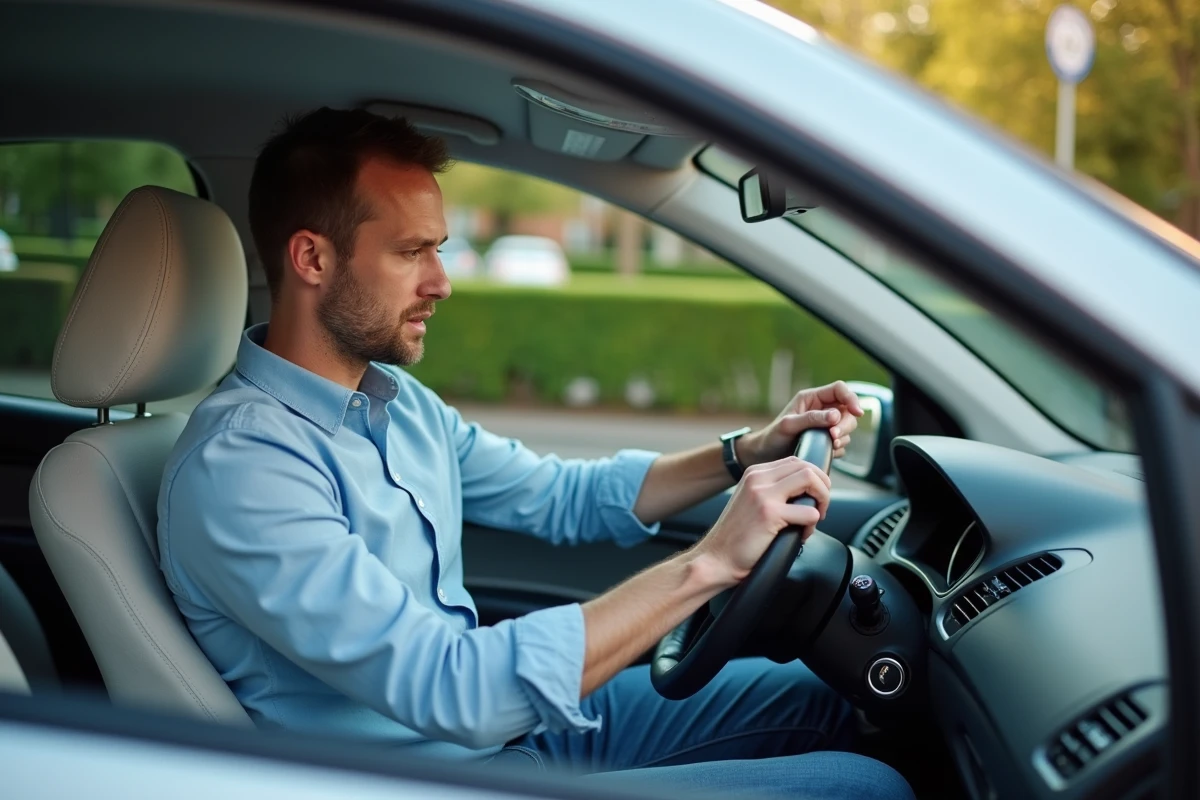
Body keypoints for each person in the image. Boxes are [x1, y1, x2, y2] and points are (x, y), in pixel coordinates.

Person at [157, 107, 914, 800]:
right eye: (411, 251)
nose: (442, 282)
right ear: (312, 259)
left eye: (439, 249)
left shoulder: (397, 402)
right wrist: (709, 564)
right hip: (427, 777)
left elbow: (563, 496)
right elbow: (452, 688)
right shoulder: (243, 468)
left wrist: (745, 452)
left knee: (820, 696)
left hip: (516, 736)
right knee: (864, 790)